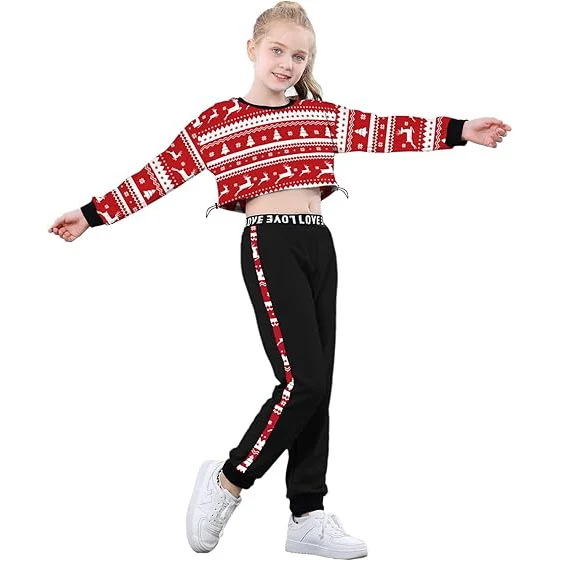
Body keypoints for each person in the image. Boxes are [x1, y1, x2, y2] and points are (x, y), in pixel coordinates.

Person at [47, 2, 511, 558]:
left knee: (319, 386)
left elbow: (389, 130)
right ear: (252, 49)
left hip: (319, 244)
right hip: (270, 243)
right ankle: (229, 479)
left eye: (300, 56)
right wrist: (92, 214)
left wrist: (461, 130)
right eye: (277, 50)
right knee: (302, 382)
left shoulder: (319, 115)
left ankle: (307, 515)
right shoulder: (219, 121)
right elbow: (159, 174)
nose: (288, 63)